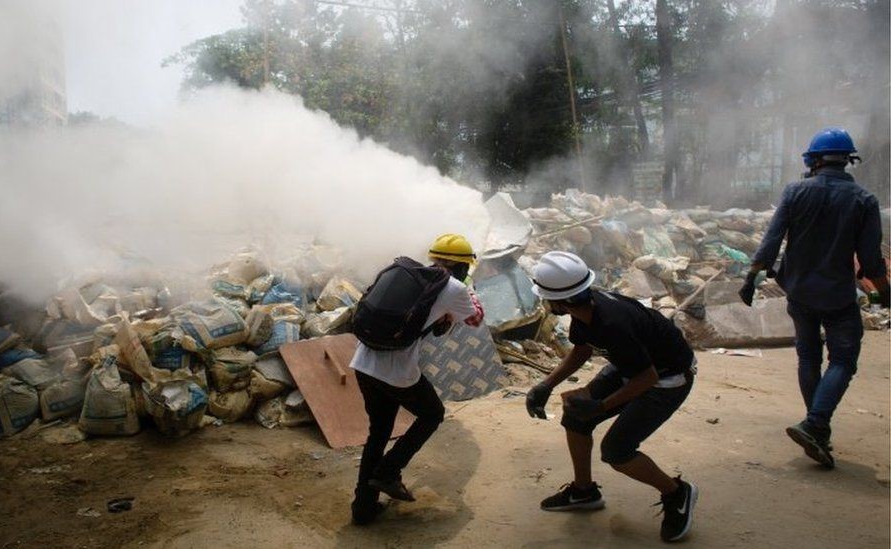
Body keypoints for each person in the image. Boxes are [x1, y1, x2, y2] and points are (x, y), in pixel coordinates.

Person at [525, 251, 698, 543]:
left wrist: (600, 406)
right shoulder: (585, 308)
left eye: (545, 296)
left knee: (617, 451)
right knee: (575, 418)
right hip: (633, 366)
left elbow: (648, 378)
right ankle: (583, 492)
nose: (544, 301)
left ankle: (676, 492)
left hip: (668, 378)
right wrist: (546, 385)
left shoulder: (612, 323)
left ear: (561, 301)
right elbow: (582, 349)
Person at [741, 127, 889, 469]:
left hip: (800, 293)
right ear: (848, 160)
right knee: (843, 361)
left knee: (808, 358)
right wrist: (885, 294)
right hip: (838, 296)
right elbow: (870, 261)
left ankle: (815, 427)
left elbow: (771, 242)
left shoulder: (795, 192)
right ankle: (816, 424)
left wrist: (752, 278)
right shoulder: (864, 200)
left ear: (814, 160)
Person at [350, 233, 485, 525]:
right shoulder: (454, 287)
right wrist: (469, 289)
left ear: (433, 258)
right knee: (432, 414)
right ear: (463, 267)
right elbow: (475, 319)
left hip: (363, 362)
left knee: (379, 431)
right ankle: (388, 471)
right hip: (396, 372)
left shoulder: (408, 275)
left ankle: (363, 508)